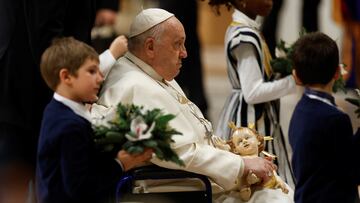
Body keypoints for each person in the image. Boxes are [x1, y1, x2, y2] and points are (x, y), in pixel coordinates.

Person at [91, 8, 276, 201]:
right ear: (150, 47)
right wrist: (241, 165)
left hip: (202, 179)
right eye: (177, 44)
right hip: (190, 189)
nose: (185, 53)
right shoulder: (134, 85)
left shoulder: (150, 70)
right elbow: (180, 150)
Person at [36, 37, 153, 203]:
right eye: (92, 71)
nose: (100, 78)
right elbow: (80, 187)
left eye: (99, 71)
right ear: (66, 77)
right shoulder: (70, 126)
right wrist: (121, 164)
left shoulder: (58, 109)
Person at [204, 0, 296, 188]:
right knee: (257, 181)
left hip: (256, 113)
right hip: (251, 120)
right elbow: (253, 92)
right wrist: (293, 81)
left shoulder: (247, 28)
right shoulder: (244, 36)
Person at [288, 32, 360, 203]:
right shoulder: (335, 119)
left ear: (296, 77)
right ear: (337, 73)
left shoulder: (300, 109)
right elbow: (353, 172)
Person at [213, 124, 292, 203]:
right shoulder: (240, 161)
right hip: (254, 190)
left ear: (258, 140)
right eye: (239, 141)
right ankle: (245, 191)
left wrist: (280, 181)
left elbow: (273, 173)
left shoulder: (263, 161)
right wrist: (224, 150)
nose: (244, 141)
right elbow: (233, 170)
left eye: (247, 137)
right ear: (235, 150)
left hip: (270, 188)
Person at [158, 0, 209, 117]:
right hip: (174, 10)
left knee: (184, 50)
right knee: (174, 52)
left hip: (183, 11)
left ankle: (197, 106)